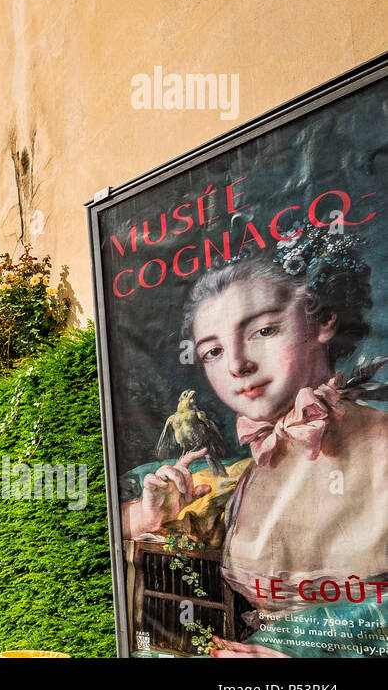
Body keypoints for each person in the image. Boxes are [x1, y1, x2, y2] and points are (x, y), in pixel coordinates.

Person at [121, 228, 388, 657]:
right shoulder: (250, 469)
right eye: (212, 352)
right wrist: (147, 515)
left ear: (323, 320)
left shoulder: (382, 445)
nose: (237, 364)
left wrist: (298, 650)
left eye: (263, 330)